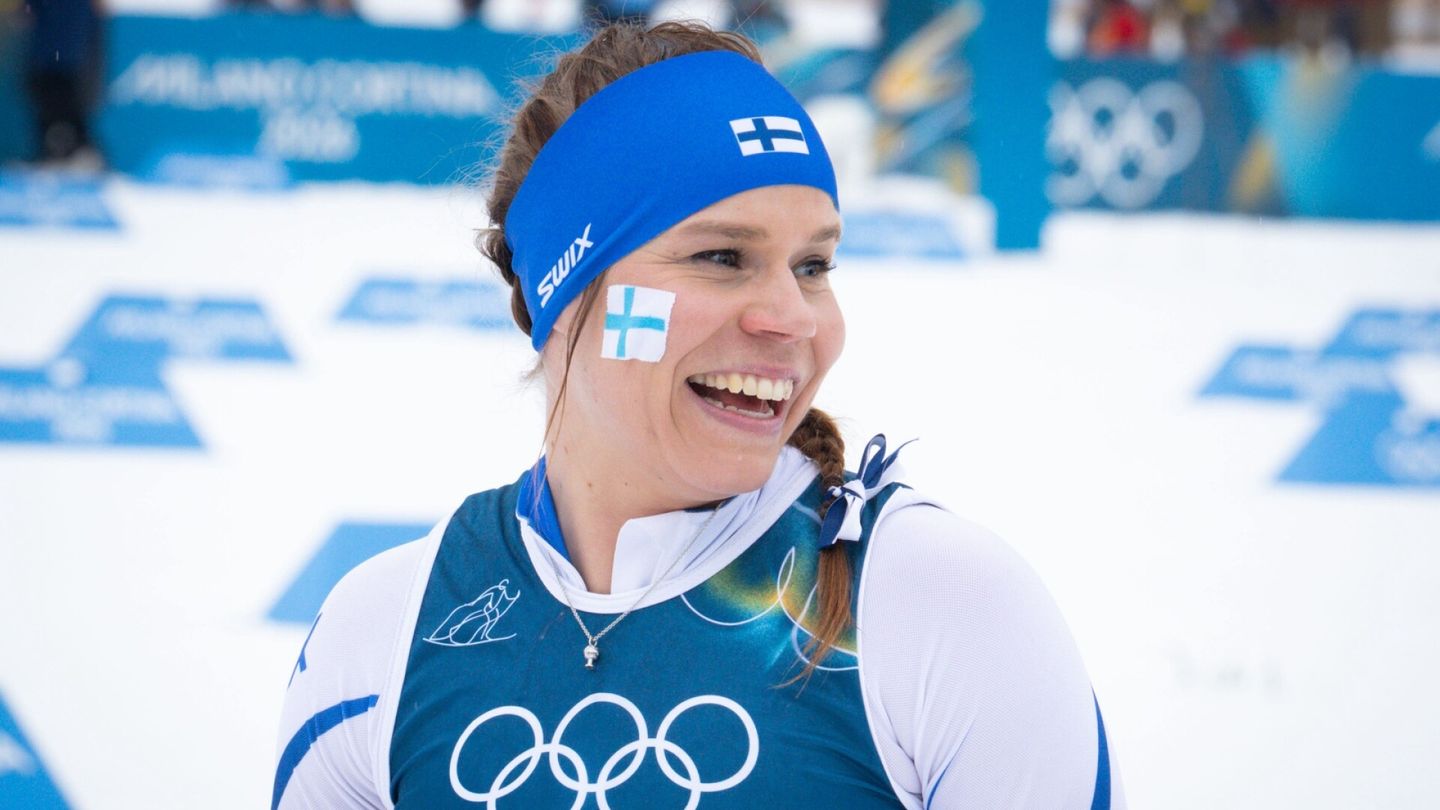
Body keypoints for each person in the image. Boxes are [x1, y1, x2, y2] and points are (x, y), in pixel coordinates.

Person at [274, 21, 1123, 809]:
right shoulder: (383, 634)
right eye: (722, 256)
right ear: (565, 293)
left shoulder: (942, 608)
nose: (793, 318)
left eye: (814, 265)